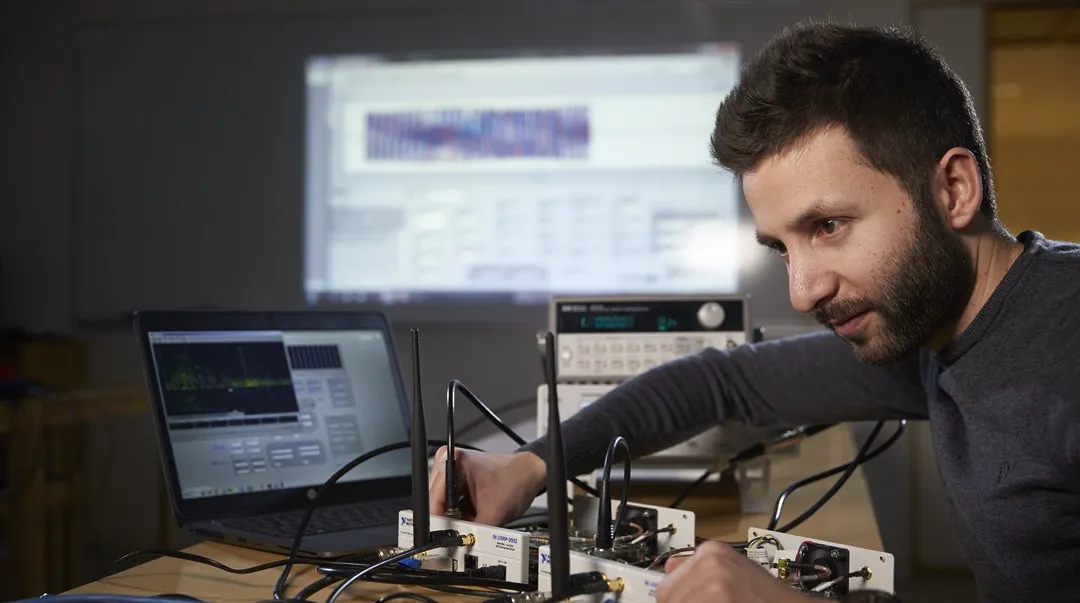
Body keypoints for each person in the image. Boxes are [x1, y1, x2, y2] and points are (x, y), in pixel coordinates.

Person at [428, 21, 1080, 603]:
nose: (802, 292)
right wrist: (529, 466)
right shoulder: (938, 329)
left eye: (828, 225)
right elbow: (722, 381)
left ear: (953, 189)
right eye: (781, 247)